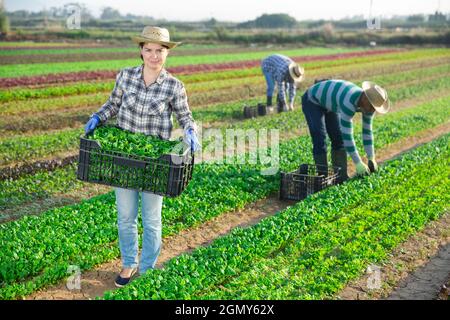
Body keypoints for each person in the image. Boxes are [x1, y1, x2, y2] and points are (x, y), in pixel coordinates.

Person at [84, 26, 200, 287]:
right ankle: (128, 264)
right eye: (148, 50)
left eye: (159, 51)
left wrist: (191, 131)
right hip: (124, 158)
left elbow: (185, 117)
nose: (154, 56)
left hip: (154, 163)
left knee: (151, 219)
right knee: (125, 216)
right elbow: (113, 104)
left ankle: (147, 268)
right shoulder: (125, 76)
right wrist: (97, 117)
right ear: (141, 51)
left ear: (167, 53)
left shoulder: (174, 86)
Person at [301, 80, 390, 182]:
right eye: (372, 107)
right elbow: (347, 135)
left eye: (375, 108)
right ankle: (323, 178)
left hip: (330, 103)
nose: (372, 111)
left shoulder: (369, 107)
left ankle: (340, 177)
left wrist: (371, 157)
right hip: (313, 100)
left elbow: (367, 131)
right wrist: (358, 162)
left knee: (338, 138)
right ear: (365, 97)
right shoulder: (349, 101)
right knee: (319, 137)